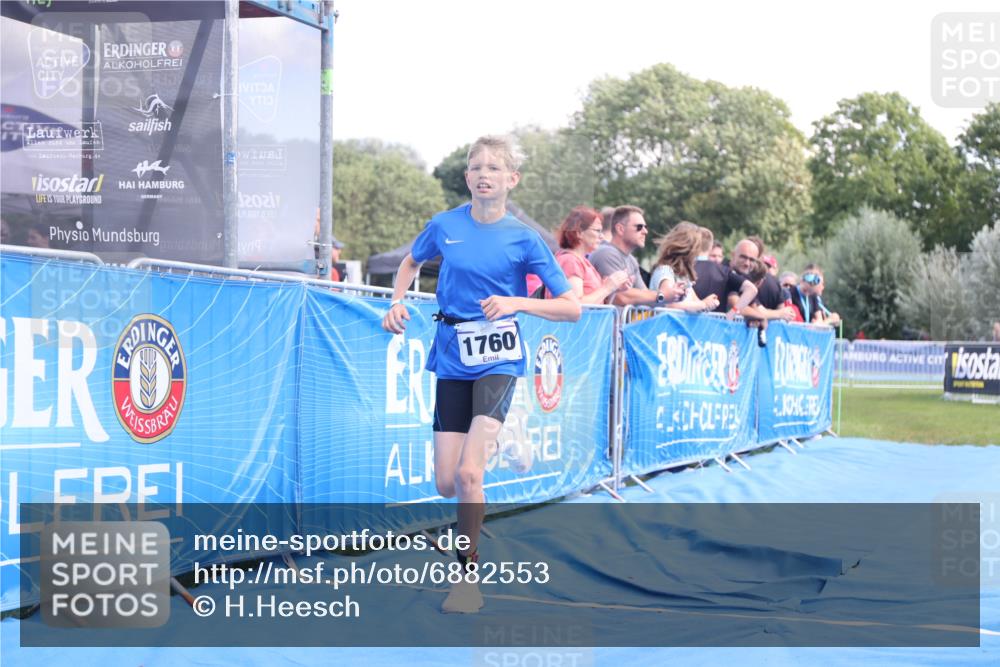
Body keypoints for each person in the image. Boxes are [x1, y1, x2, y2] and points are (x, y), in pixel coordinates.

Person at [381, 135, 580, 614]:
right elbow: (411, 261)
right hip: (452, 354)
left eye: (495, 167)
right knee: (446, 483)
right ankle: (509, 432)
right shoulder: (444, 225)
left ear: (512, 180)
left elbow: (571, 307)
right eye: (476, 167)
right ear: (467, 177)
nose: (484, 173)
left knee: (472, 475)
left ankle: (466, 579)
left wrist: (516, 302)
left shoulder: (523, 238)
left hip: (500, 358)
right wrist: (397, 300)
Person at [589, 205, 683, 307]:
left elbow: (644, 294)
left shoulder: (631, 259)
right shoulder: (606, 253)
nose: (645, 231)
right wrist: (662, 295)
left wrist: (674, 293)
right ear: (620, 229)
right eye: (639, 227)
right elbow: (620, 296)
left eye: (645, 227)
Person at [548, 206, 631, 303]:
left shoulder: (580, 261)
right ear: (579, 233)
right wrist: (607, 287)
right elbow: (575, 305)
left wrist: (614, 286)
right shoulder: (570, 261)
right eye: (597, 231)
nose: (602, 236)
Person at [648, 222, 719, 312]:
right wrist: (703, 304)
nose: (698, 252)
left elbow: (696, 303)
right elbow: (670, 304)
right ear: (688, 249)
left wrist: (708, 303)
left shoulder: (684, 277)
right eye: (697, 247)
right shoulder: (665, 270)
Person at [727, 238, 796, 322]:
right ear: (733, 255)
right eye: (743, 257)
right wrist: (768, 316)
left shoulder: (743, 278)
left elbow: (755, 307)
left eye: (752, 260)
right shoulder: (728, 274)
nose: (747, 263)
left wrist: (760, 317)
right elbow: (737, 305)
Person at [693, 233, 757, 315]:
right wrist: (732, 313)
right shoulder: (725, 272)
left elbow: (752, 291)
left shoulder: (684, 266)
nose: (747, 263)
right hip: (713, 323)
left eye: (719, 256)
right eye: (743, 257)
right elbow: (750, 290)